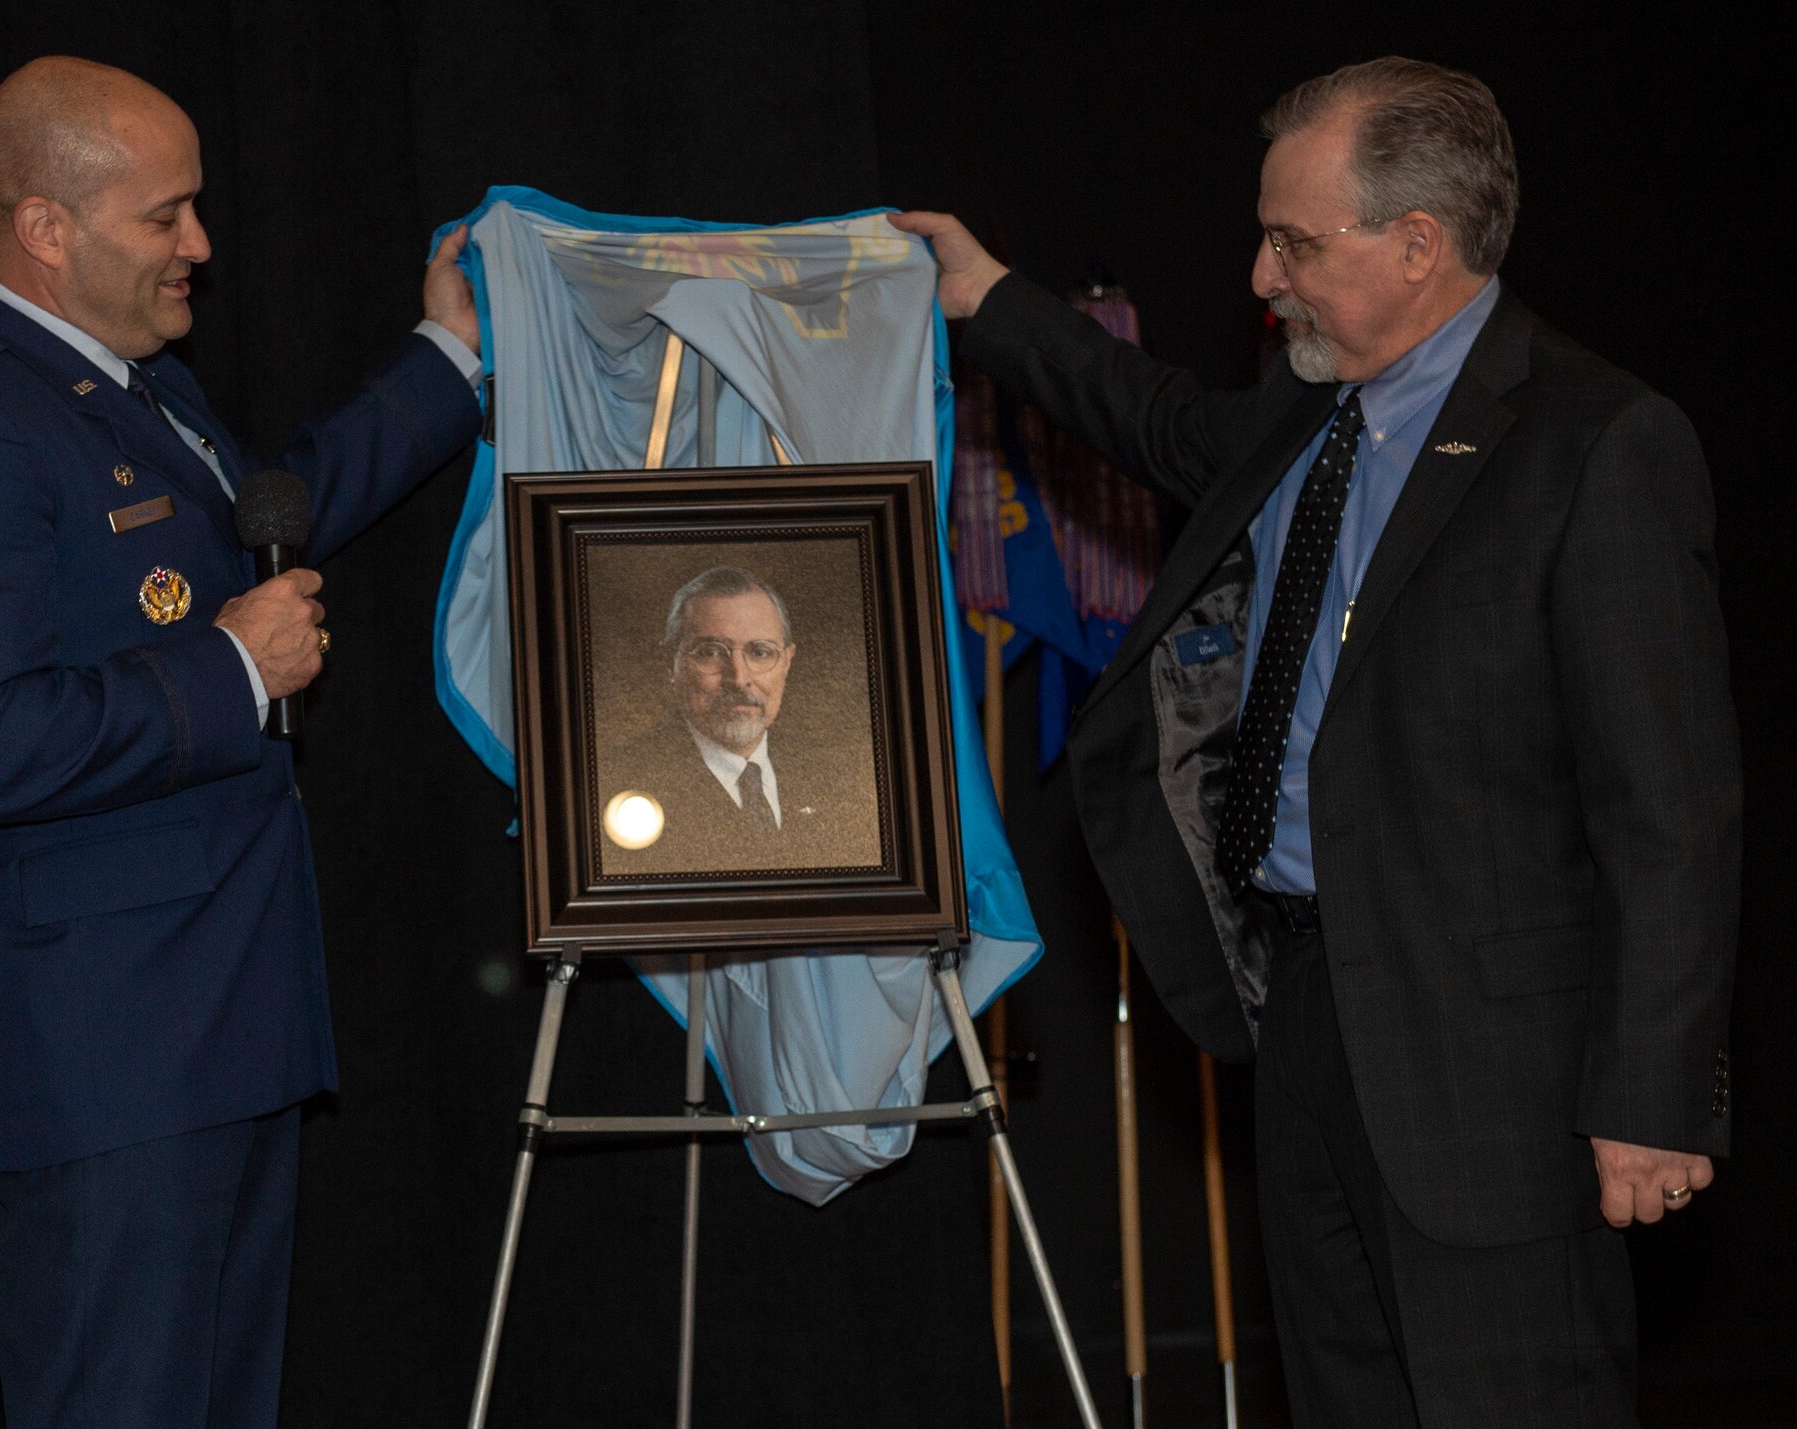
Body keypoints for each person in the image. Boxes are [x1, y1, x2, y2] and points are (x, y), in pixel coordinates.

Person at [893, 55, 1738, 1428]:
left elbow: (1673, 812)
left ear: (1418, 244)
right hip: (1299, 1017)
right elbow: (1149, 416)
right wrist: (984, 297)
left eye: (1293, 240)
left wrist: (1653, 1097)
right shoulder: (1300, 416)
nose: (1260, 276)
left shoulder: (1597, 444)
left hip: (1496, 1080)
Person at [0, 56, 482, 1427]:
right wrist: (227, 671)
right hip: (111, 1061)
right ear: (44, 227)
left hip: (222, 1024)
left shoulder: (129, 384)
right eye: (166, 217)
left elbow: (273, 505)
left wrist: (449, 362)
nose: (200, 245)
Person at [600, 565, 880, 874]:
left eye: (760, 652)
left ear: (786, 663)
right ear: (671, 664)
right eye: (710, 652)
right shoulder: (617, 780)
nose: (738, 678)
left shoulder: (836, 779)